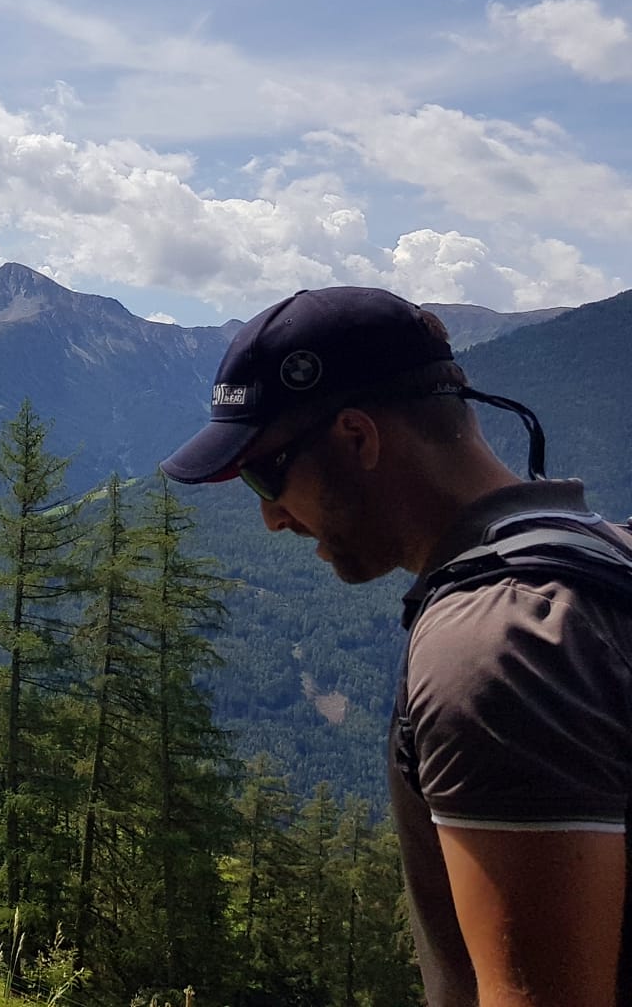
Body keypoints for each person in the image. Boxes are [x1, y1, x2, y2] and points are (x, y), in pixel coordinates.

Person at [159, 285, 632, 1006]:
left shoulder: (495, 648)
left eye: (265, 472)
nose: (270, 517)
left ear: (357, 438)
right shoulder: (607, 558)